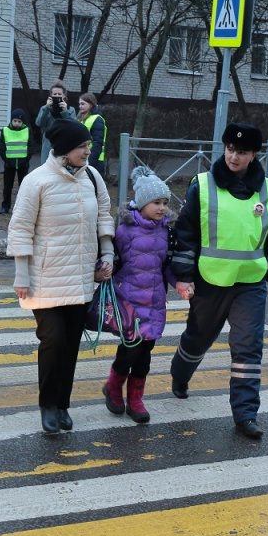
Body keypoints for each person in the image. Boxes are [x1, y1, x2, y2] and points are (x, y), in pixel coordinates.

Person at [169, 122, 268, 440]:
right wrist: (182, 276)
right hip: (210, 280)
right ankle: (180, 374)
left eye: (242, 152)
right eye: (231, 149)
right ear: (224, 148)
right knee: (198, 338)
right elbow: (187, 232)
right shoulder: (203, 185)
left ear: (253, 155)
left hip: (250, 281)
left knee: (248, 347)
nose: (234, 156)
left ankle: (246, 414)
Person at [7, 119, 114, 434]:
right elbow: (21, 228)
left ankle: (63, 404)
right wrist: (21, 274)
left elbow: (104, 216)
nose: (88, 151)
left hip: (81, 278)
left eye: (88, 145)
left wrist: (107, 254)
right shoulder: (36, 181)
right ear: (65, 149)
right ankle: (48, 405)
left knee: (70, 345)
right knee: (52, 340)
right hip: (45, 280)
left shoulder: (92, 178)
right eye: (82, 146)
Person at [102, 166, 176, 424]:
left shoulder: (165, 230)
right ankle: (113, 386)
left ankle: (135, 399)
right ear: (142, 203)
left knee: (145, 353)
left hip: (155, 301)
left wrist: (180, 283)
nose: (162, 208)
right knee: (129, 350)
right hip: (129, 302)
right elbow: (112, 257)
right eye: (156, 202)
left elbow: (167, 264)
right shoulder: (124, 229)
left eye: (165, 203)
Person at [0, 108, 31, 215]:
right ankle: (5, 206)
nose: (17, 123)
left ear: (23, 122)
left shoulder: (27, 130)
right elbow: (2, 147)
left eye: (19, 121)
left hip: (23, 164)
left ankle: (22, 208)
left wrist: (26, 159)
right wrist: (6, 160)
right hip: (9, 164)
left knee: (23, 187)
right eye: (15, 121)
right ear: (11, 120)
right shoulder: (5, 130)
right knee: (7, 186)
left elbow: (31, 146)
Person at [35, 80, 77, 164]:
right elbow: (39, 123)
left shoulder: (70, 109)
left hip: (64, 145)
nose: (57, 96)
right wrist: (47, 108)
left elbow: (73, 127)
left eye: (59, 94)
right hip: (48, 145)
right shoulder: (44, 108)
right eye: (54, 94)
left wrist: (65, 112)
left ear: (64, 96)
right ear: (50, 95)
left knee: (62, 171)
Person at [77, 92, 108, 176]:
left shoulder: (97, 119)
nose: (80, 106)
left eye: (83, 104)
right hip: (82, 159)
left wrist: (89, 164)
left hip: (93, 161)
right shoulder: (81, 119)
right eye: (79, 104)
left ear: (91, 104)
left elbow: (97, 143)